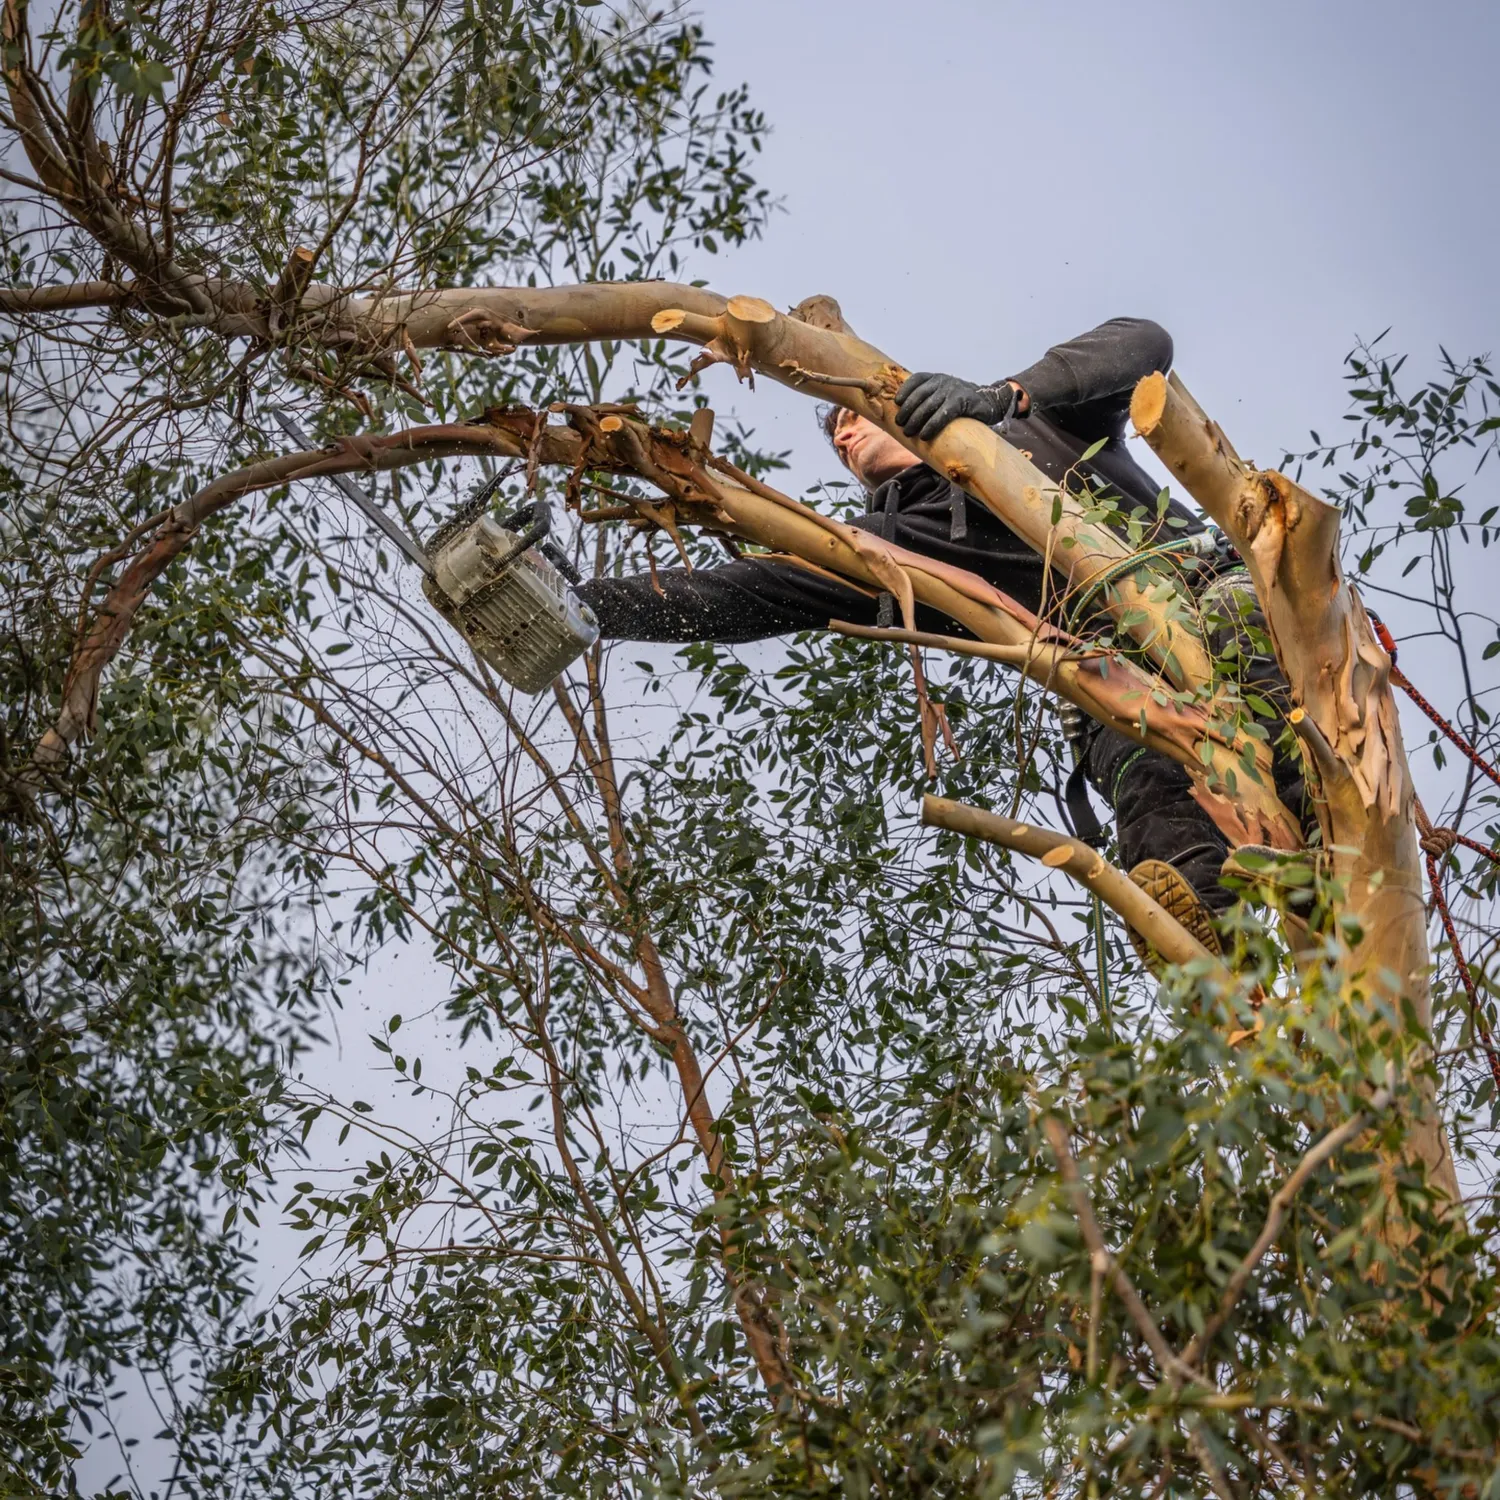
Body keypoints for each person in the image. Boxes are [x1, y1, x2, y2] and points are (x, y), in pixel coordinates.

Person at [575, 318, 1301, 959]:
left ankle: (1320, 819)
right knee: (1133, 763)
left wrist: (1004, 395)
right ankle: (1205, 946)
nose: (845, 434)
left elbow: (1145, 343)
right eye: (836, 439)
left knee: (1260, 671)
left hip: (1211, 595)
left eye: (853, 415)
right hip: (1119, 679)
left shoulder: (1034, 424)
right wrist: (584, 604)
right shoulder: (898, 543)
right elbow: (744, 592)